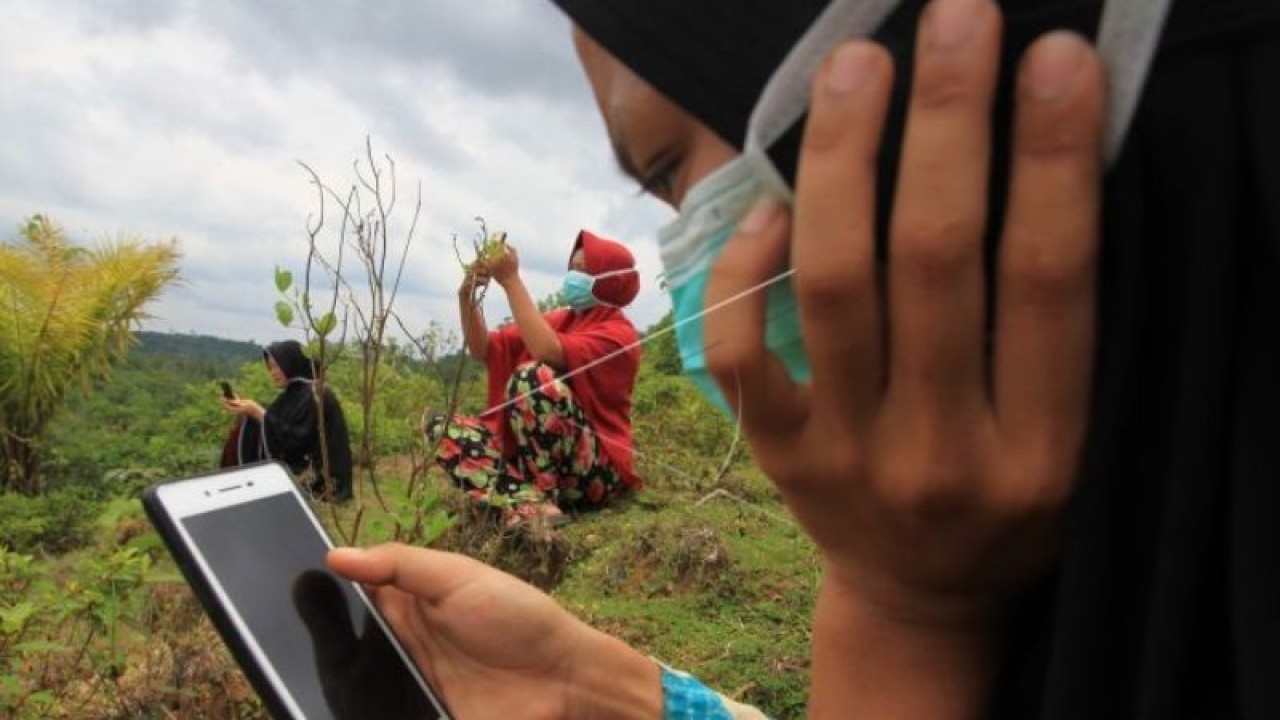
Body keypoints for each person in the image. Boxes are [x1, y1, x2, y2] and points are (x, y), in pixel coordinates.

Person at [322, 0, 1280, 717]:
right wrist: (596, 686)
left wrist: (903, 618)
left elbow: (532, 358)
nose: (682, 231)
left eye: (665, 170)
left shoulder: (604, 334)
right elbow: (486, 348)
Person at [424, 230, 642, 527]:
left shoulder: (619, 335)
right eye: (572, 269)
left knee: (531, 377)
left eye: (583, 270)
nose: (572, 277)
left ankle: (537, 498)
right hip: (538, 468)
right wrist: (467, 296)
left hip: (594, 475)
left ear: (609, 280)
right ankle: (531, 504)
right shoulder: (562, 319)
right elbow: (483, 347)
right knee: (441, 427)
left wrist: (511, 280)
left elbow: (545, 350)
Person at [223, 340, 354, 503]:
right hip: (303, 465)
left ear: (291, 363)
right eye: (270, 367)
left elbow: (295, 437)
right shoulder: (296, 393)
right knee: (243, 428)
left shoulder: (315, 393)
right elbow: (278, 421)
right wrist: (248, 411)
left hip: (319, 476)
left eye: (277, 366)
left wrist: (257, 412)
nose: (273, 372)